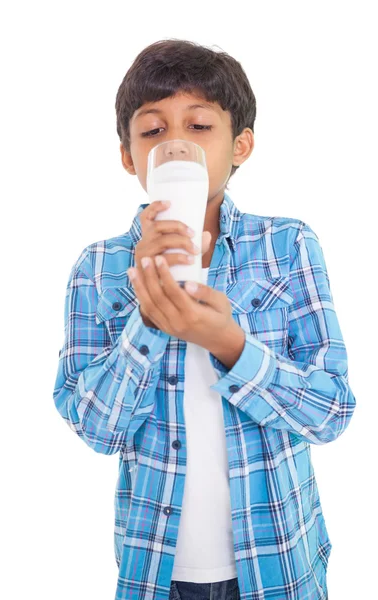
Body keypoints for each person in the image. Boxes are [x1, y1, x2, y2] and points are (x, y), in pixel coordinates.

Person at [53, 39, 356, 600]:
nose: (176, 145)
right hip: (157, 575)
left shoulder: (287, 247)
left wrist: (231, 345)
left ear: (240, 145)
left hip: (280, 567)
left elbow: (333, 410)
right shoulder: (97, 270)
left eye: (198, 126)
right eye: (152, 132)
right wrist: (146, 321)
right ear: (128, 156)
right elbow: (95, 428)